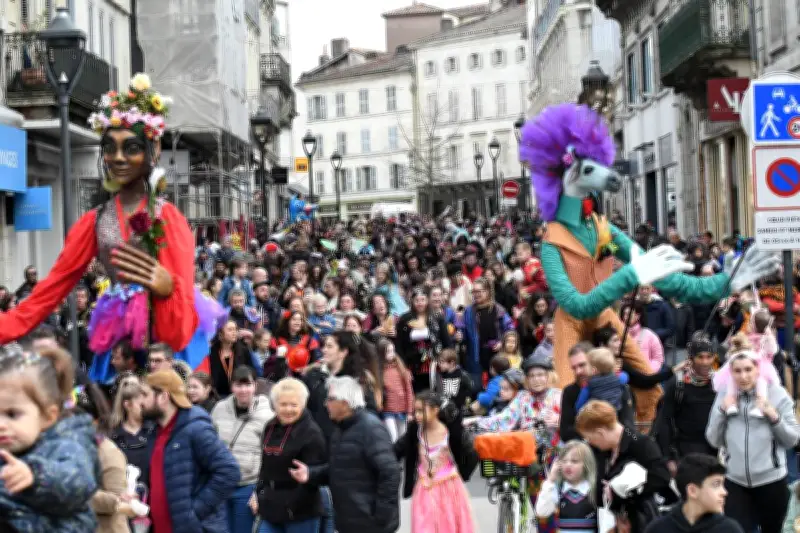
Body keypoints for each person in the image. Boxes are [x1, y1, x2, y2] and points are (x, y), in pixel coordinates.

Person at [0, 74, 226, 371]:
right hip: (119, 342)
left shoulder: (169, 218)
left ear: (153, 150)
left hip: (170, 346)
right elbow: (50, 291)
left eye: (130, 148)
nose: (117, 158)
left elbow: (180, 314)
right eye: (109, 148)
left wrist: (168, 288)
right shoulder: (94, 221)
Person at [705, 334, 799, 533]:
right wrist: (722, 411)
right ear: (730, 373)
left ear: (758, 369)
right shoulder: (725, 395)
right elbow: (713, 439)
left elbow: (792, 438)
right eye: (737, 371)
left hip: (771, 480)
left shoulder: (777, 394)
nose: (743, 376)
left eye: (748, 369)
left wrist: (773, 416)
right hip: (735, 480)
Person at [0, 344, 99, 532]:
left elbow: (78, 482)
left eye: (12, 414)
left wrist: (36, 476)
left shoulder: (67, 443)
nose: (1, 424)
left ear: (47, 416)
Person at [289, 376, 401, 533]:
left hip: (370, 524)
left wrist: (382, 516)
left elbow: (390, 473)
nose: (325, 404)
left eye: (330, 399)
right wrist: (310, 474)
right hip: (348, 521)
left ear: (345, 402)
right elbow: (339, 468)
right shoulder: (341, 429)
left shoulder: (370, 428)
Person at [143, 369, 241, 533]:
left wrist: (194, 512)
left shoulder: (196, 428)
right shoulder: (155, 432)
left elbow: (229, 471)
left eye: (145, 395)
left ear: (164, 397)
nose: (141, 402)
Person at [575, 400, 674, 533]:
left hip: (642, 523)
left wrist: (622, 491)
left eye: (589, 438)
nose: (590, 442)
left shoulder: (641, 444)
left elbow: (661, 477)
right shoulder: (604, 450)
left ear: (600, 433)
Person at [394, 390, 478, 533]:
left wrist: (464, 472)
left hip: (449, 487)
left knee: (448, 525)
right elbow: (397, 449)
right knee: (424, 526)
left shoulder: (450, 432)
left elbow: (471, 452)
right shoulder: (415, 431)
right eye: (415, 411)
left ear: (435, 410)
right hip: (424, 488)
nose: (417, 415)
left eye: (421, 411)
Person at [251, 377, 327, 533]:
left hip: (300, 511)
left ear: (303, 405)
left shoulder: (312, 433)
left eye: (294, 405)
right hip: (270, 506)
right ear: (274, 405)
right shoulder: (270, 427)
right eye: (283, 404)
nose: (288, 410)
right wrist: (258, 492)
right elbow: (265, 466)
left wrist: (291, 504)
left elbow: (318, 475)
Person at [211, 367, 274, 533]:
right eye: (239, 385)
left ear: (255, 386)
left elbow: (270, 456)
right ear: (232, 387)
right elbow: (211, 444)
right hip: (222, 484)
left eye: (248, 385)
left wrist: (261, 490)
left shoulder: (267, 414)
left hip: (248, 485)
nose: (243, 390)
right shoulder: (219, 409)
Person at [645, 454, 743, 533]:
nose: (724, 492)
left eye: (723, 484)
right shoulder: (658, 529)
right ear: (692, 491)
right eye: (716, 484)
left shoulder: (729, 529)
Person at [533, 440, 598, 531]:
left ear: (586, 464)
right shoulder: (559, 490)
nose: (568, 465)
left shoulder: (594, 490)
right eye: (564, 461)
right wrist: (551, 480)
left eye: (574, 461)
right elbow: (541, 511)